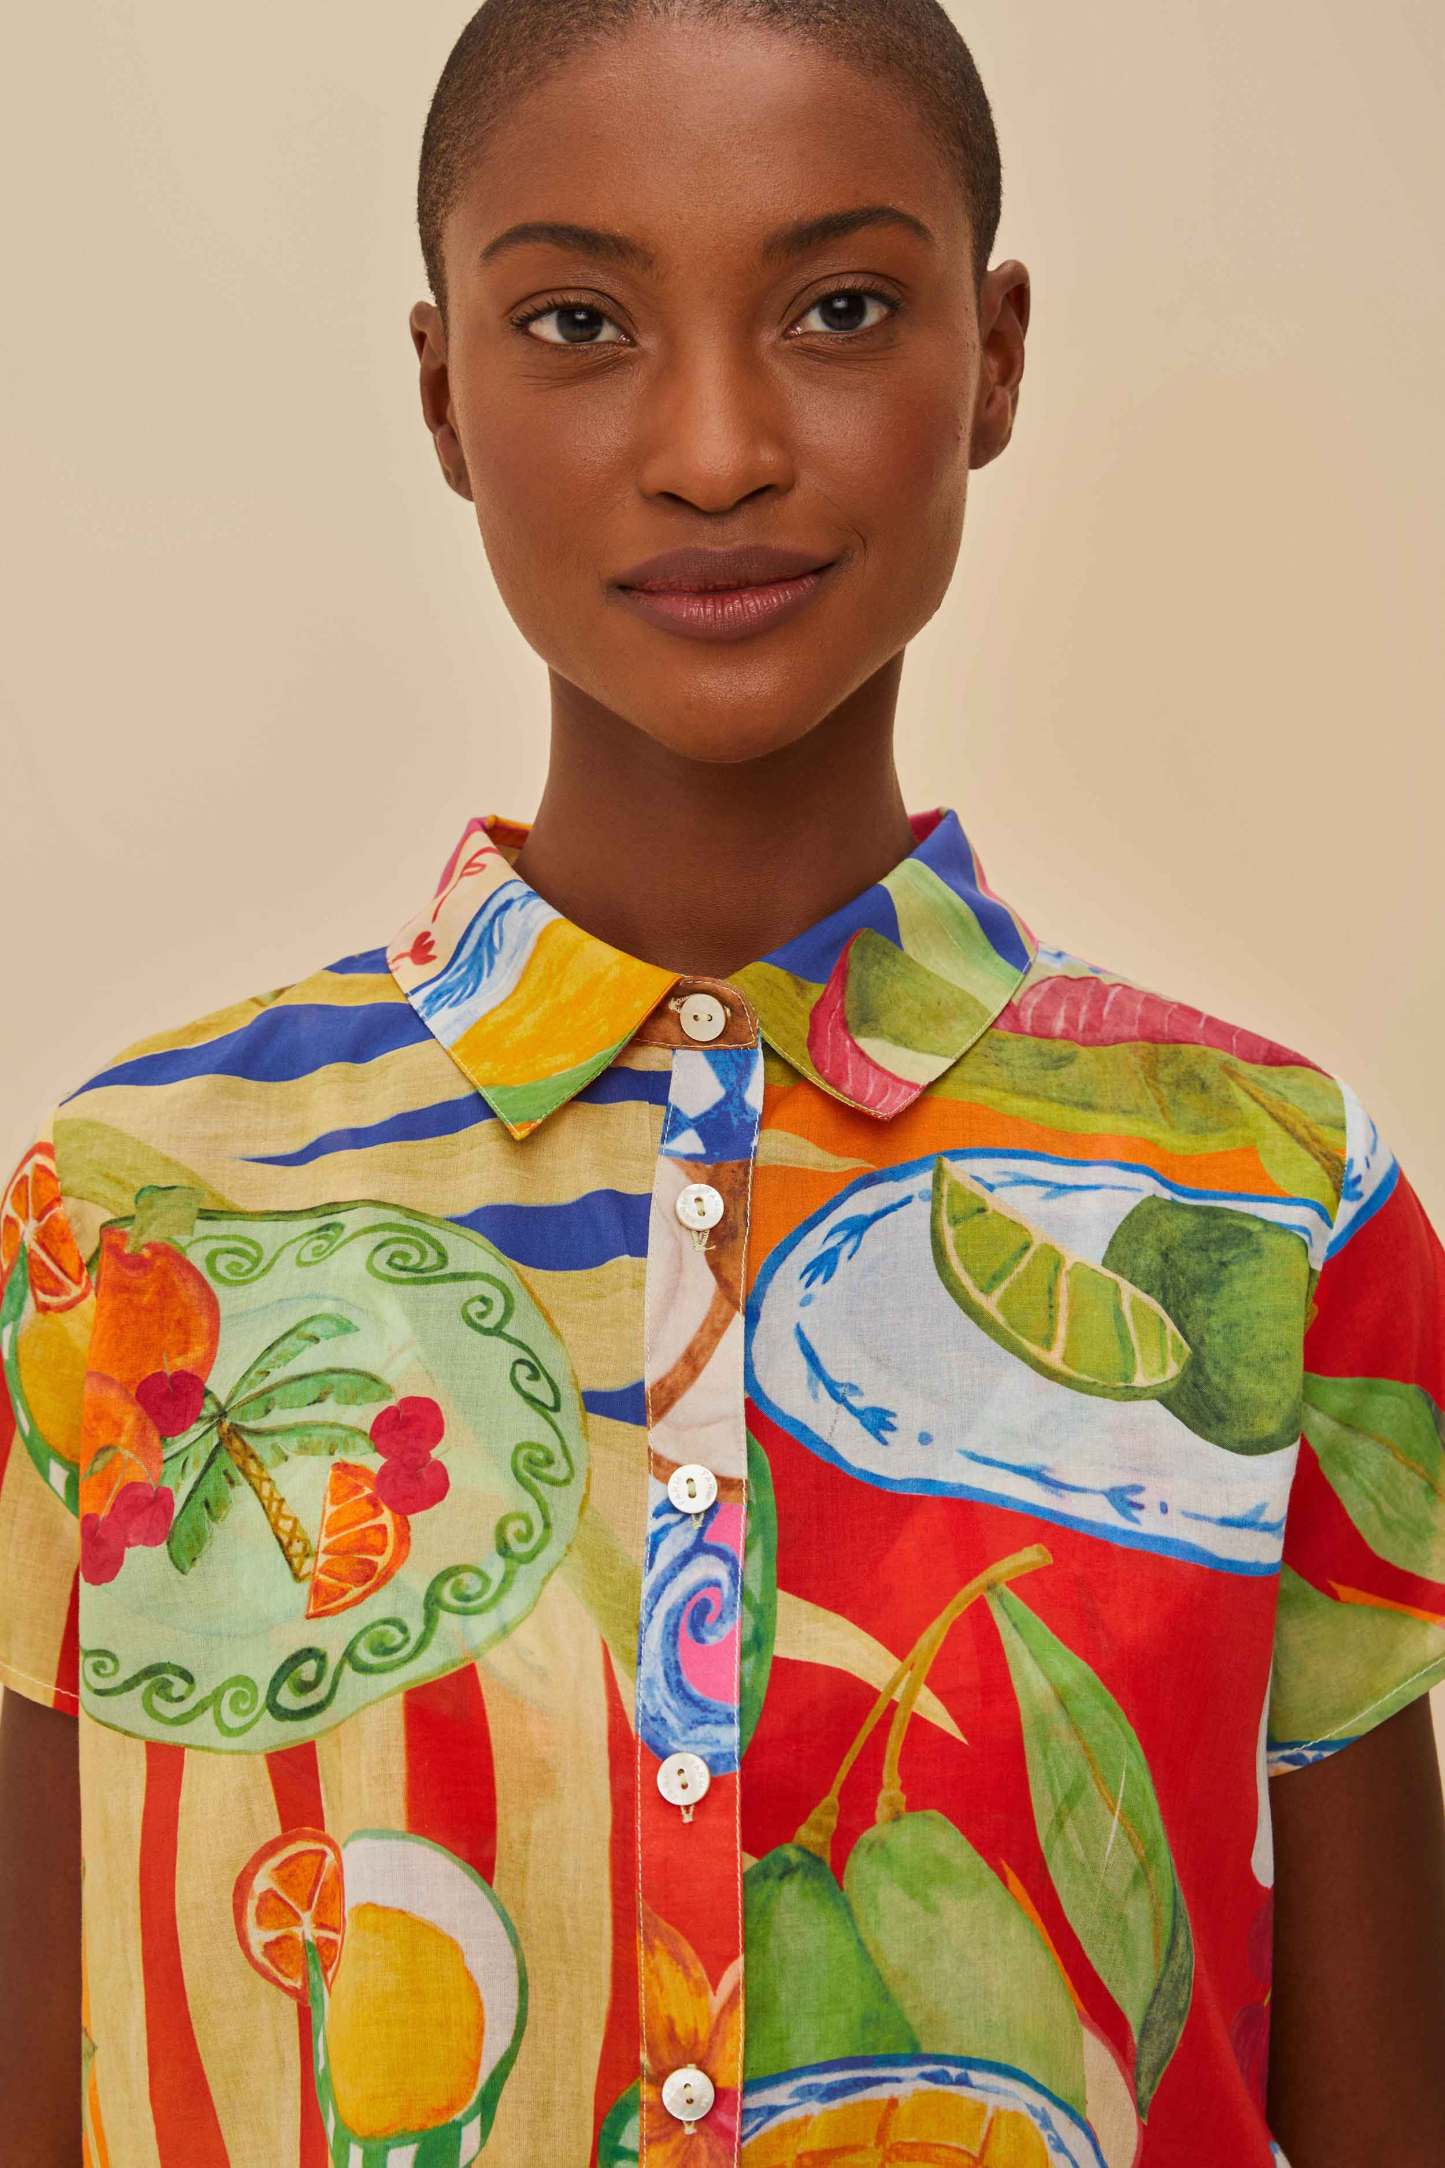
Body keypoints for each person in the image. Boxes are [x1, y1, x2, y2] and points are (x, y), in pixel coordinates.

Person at [3, 1, 1443, 2161]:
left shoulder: (1269, 1203)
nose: (711, 445)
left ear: (996, 359)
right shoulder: (132, 1220)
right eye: (577, 322)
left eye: (838, 307)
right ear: (442, 396)